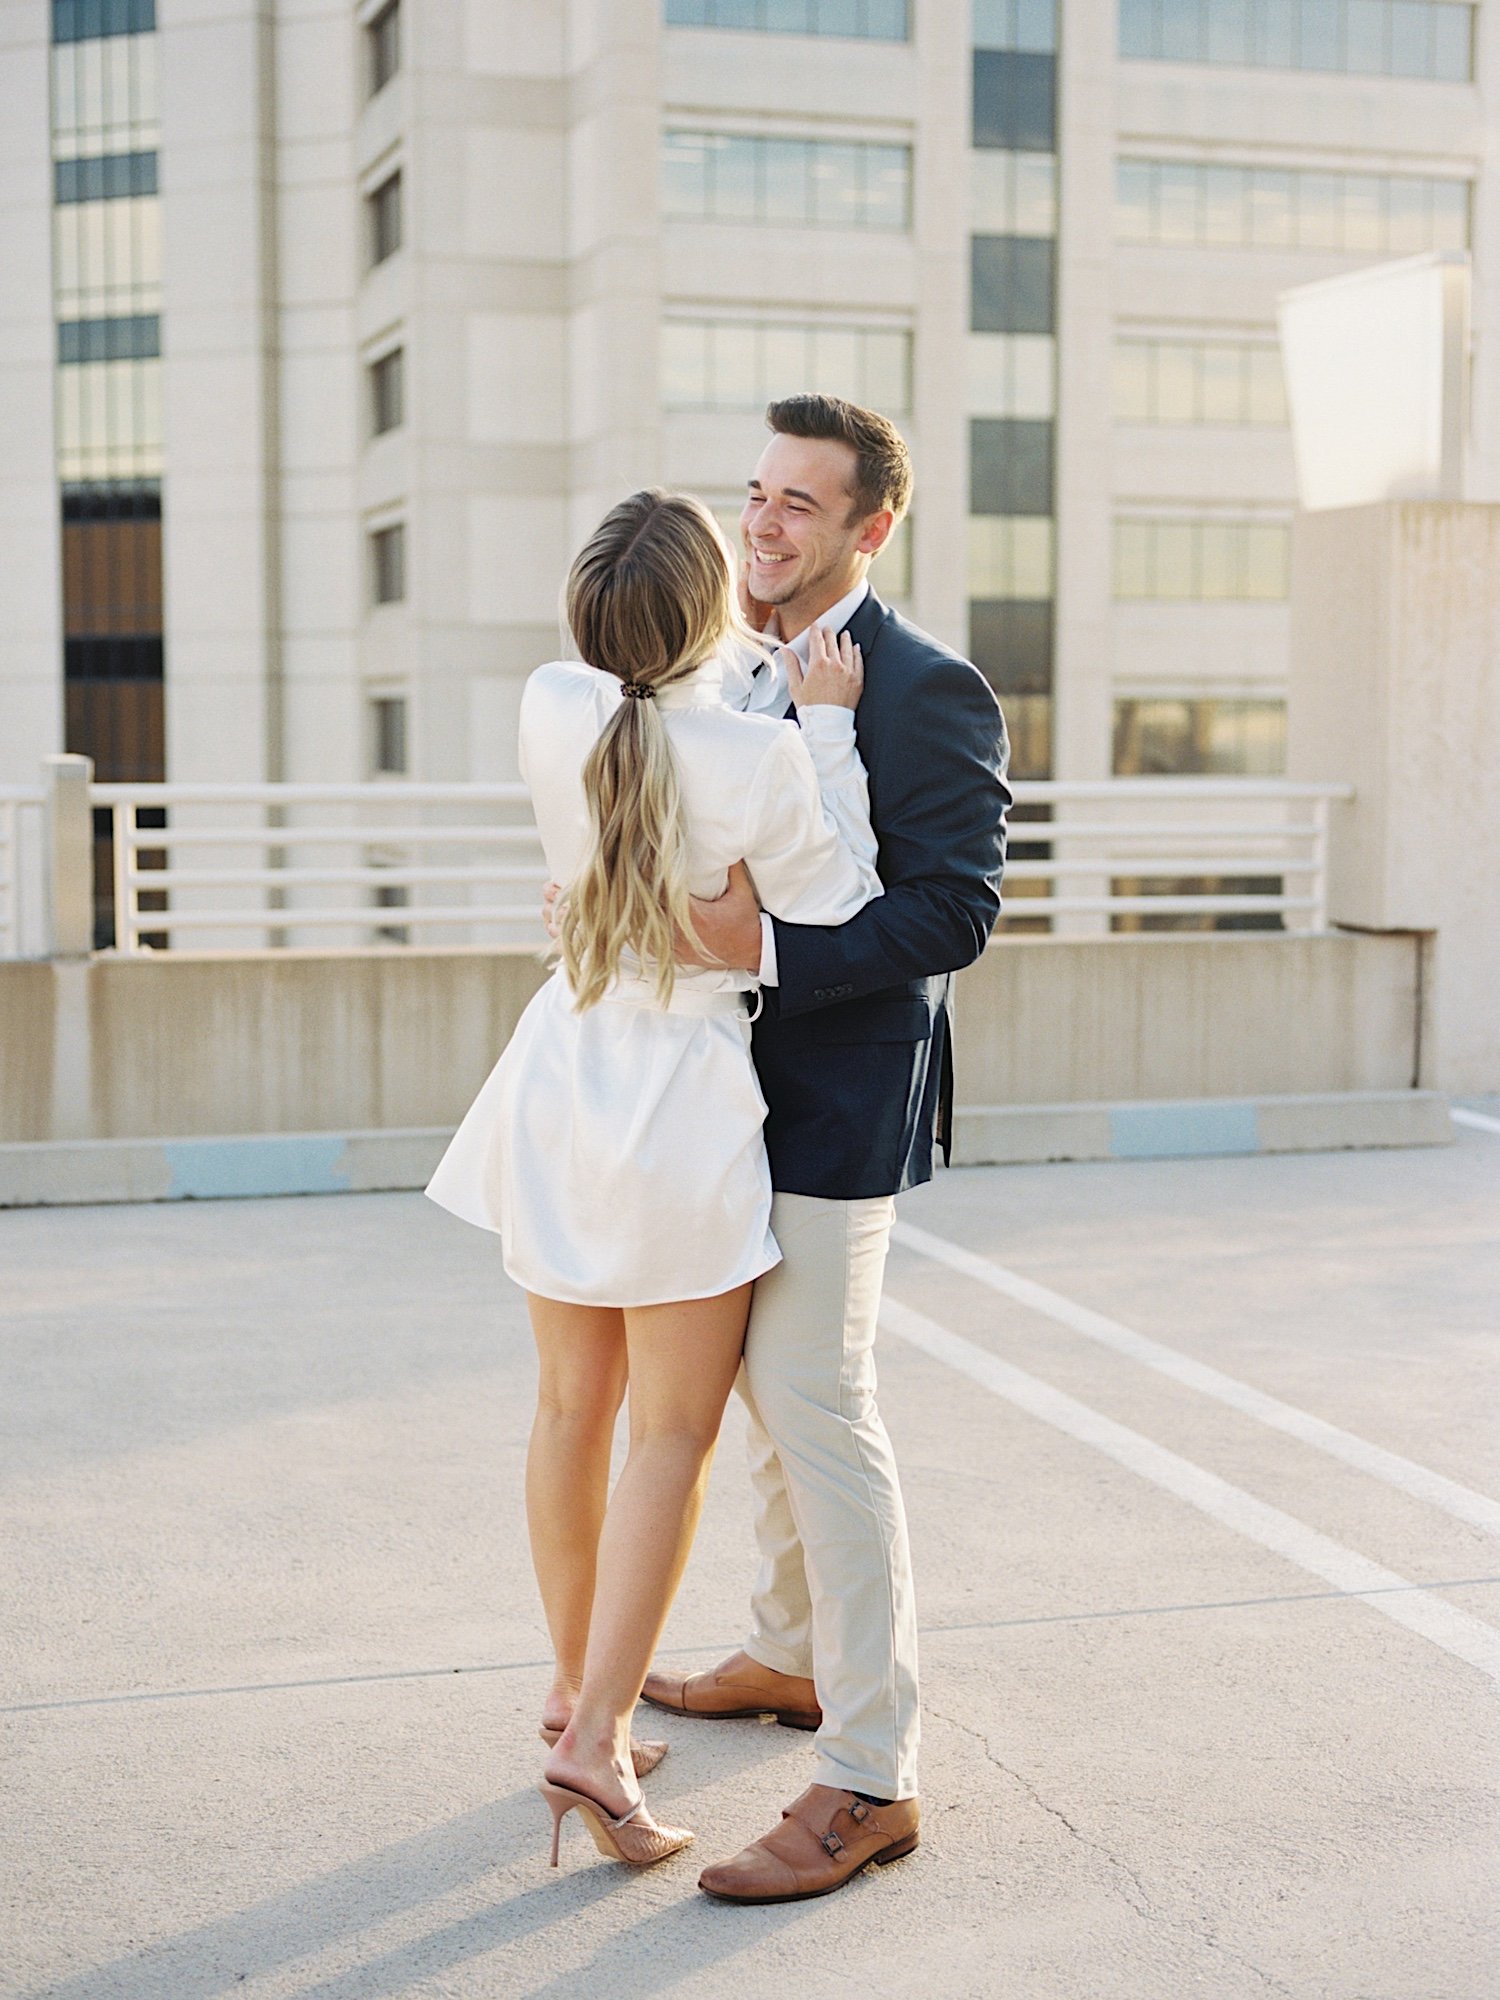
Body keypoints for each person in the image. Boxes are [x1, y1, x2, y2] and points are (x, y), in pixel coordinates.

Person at [425, 487, 886, 1870]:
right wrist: (834, 724)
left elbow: (639, 717)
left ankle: (580, 1695)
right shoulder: (760, 756)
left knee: (570, 1408)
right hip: (678, 1104)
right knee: (670, 1438)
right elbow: (841, 901)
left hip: (560, 1074)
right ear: (709, 610)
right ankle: (592, 1748)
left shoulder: (552, 704)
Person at [637, 395, 1011, 1904]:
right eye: (758, 493)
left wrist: (770, 954)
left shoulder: (929, 688)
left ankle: (870, 1773)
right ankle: (791, 1658)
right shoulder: (730, 664)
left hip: (840, 1109)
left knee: (821, 1406)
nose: (764, 524)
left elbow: (956, 915)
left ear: (872, 526)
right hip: (716, 1096)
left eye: (802, 503)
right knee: (760, 1398)